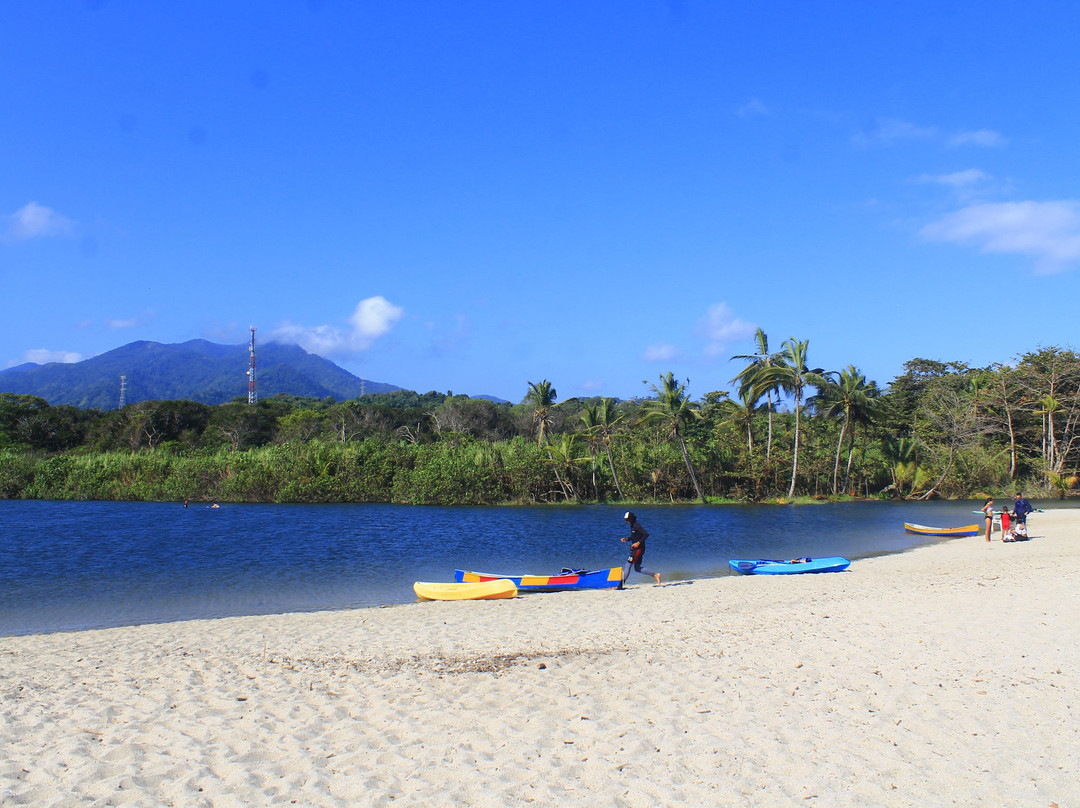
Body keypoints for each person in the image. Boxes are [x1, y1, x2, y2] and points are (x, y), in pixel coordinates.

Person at [619, 511, 661, 587]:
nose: (626, 521)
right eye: (625, 520)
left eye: (627, 520)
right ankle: (655, 575)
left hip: (638, 549)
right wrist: (627, 539)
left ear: (631, 519)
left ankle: (621, 584)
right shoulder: (632, 526)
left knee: (628, 565)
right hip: (637, 549)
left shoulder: (636, 525)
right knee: (637, 568)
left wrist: (638, 542)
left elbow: (646, 534)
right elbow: (634, 537)